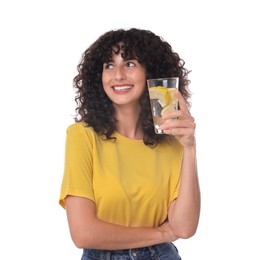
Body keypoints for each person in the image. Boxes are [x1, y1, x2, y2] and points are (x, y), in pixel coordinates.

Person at [59, 28, 200, 260]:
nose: (118, 75)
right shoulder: (82, 136)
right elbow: (83, 233)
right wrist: (161, 233)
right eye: (109, 65)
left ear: (151, 72)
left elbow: (184, 228)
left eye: (130, 64)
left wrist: (190, 147)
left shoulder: (173, 142)